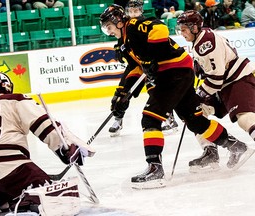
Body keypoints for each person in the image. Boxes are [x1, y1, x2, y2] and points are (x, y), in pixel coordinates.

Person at [100, 4, 251, 189]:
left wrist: (151, 58)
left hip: (173, 72)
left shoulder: (132, 25)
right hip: (179, 72)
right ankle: (236, 147)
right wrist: (121, 95)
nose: (107, 30)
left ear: (118, 21)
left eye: (108, 25)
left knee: (150, 118)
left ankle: (155, 169)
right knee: (194, 120)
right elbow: (135, 68)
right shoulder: (125, 44)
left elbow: (159, 28)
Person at [0, 72, 95, 215]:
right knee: (51, 193)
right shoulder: (16, 99)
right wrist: (63, 148)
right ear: (10, 87)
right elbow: (43, 124)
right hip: (10, 168)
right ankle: (26, 205)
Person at [177, 10, 255, 171]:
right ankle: (211, 151)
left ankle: (238, 147)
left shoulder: (206, 42)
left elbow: (216, 79)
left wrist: (198, 94)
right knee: (194, 114)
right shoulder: (200, 38)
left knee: (244, 119)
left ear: (194, 27)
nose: (182, 33)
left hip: (236, 79)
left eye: (184, 29)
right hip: (223, 84)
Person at [109, 0, 179, 137]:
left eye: (136, 11)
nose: (134, 14)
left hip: (151, 64)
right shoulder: (126, 28)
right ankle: (118, 119)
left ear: (141, 11)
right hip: (137, 65)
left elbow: (157, 37)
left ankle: (169, 118)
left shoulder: (140, 25)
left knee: (156, 92)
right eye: (131, 11)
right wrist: (120, 49)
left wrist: (150, 61)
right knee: (121, 93)